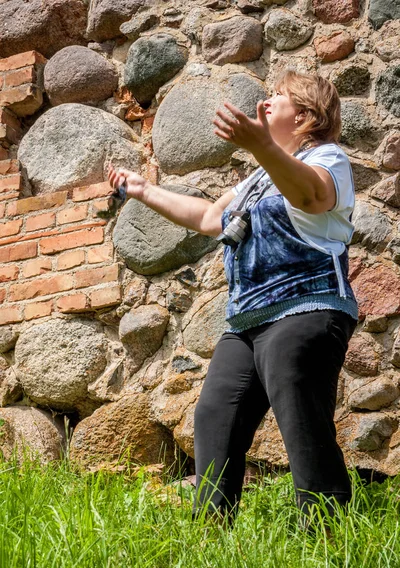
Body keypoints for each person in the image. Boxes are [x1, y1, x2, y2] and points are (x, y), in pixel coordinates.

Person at [108, 70, 358, 523]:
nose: (266, 101)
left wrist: (258, 144)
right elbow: (208, 217)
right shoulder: (258, 179)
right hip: (246, 321)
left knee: (301, 421)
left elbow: (311, 194)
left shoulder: (328, 158)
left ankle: (327, 537)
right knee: (213, 417)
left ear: (303, 115)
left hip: (308, 307)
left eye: (277, 96)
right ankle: (211, 536)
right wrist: (142, 190)